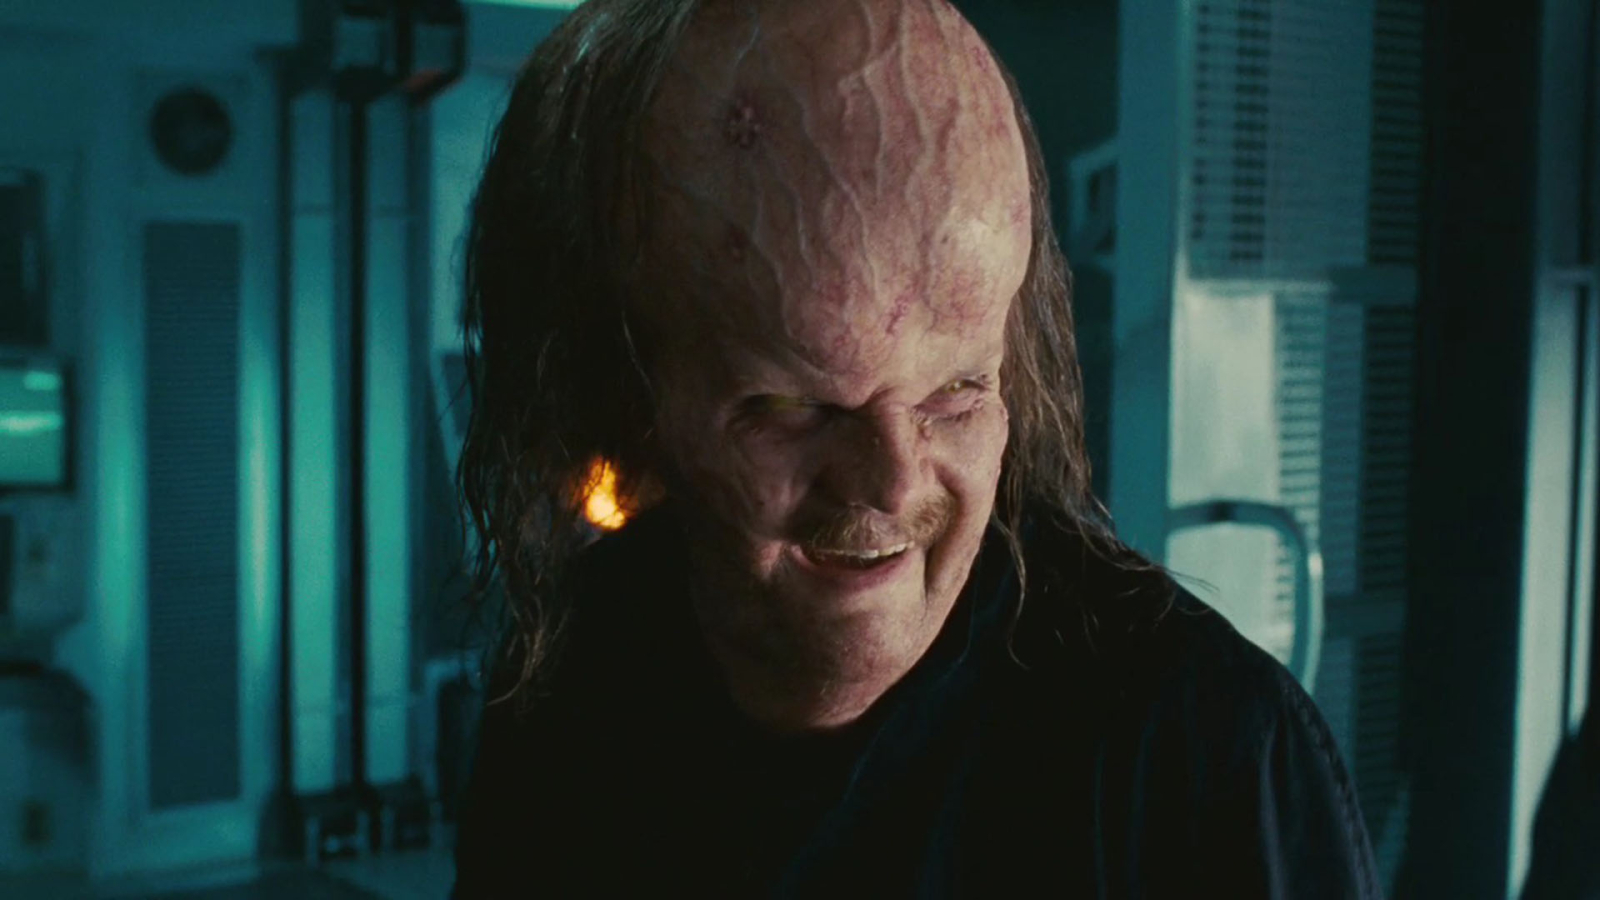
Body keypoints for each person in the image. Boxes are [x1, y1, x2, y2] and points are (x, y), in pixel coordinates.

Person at [451, 0, 1382, 895]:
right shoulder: (570, 680)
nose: (896, 481)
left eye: (958, 390)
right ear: (628, 393)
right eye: (797, 407)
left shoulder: (1204, 757)